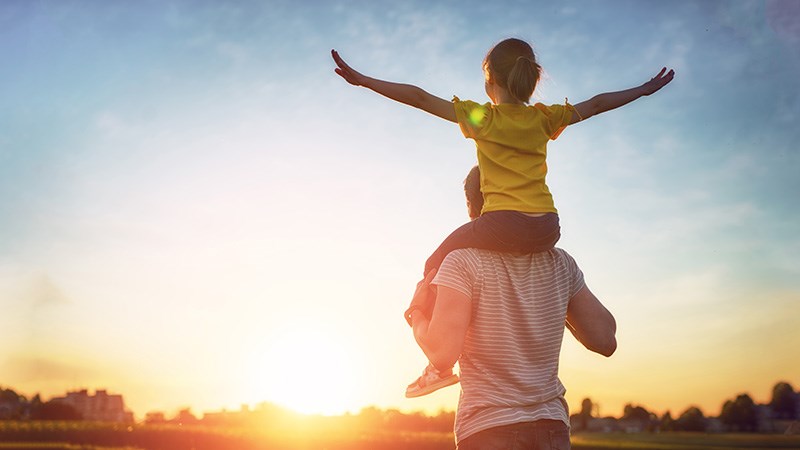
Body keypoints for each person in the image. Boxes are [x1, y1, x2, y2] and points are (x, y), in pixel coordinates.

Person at [331, 38, 672, 396]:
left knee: (436, 260)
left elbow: (419, 98)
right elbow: (599, 103)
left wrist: (367, 81)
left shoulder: (484, 117)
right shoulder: (545, 117)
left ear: (490, 81)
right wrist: (644, 90)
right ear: (529, 79)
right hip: (546, 226)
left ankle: (438, 366)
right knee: (487, 254)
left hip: (503, 223)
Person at [408, 165, 617, 449]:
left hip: (488, 428)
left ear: (472, 205)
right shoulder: (560, 263)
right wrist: (557, 303)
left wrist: (416, 315)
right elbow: (605, 339)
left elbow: (443, 355)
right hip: (551, 430)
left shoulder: (461, 262)